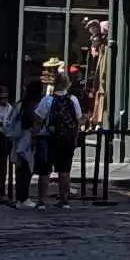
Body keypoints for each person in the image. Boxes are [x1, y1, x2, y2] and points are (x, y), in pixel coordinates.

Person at [32, 64, 83, 208]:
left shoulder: (48, 100)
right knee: (65, 171)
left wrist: (34, 136)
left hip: (48, 138)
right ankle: (64, 200)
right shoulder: (73, 100)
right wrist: (74, 136)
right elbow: (78, 120)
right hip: (67, 140)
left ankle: (42, 201)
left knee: (44, 171)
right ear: (68, 84)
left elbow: (37, 119)